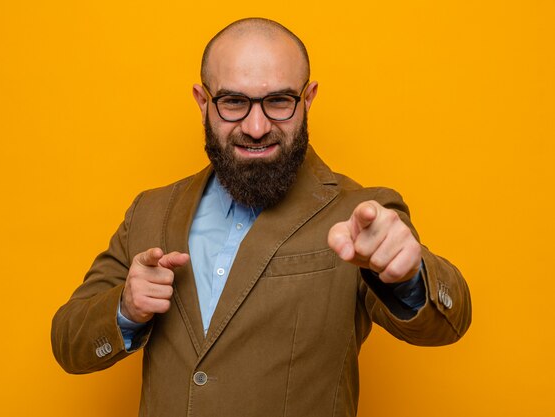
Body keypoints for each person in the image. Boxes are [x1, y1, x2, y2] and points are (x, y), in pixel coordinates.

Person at [51, 17, 471, 417]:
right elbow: (69, 342)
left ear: (307, 100)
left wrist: (409, 276)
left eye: (278, 101)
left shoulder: (360, 214)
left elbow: (446, 325)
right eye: (233, 101)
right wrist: (124, 308)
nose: (255, 126)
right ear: (203, 102)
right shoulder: (151, 209)